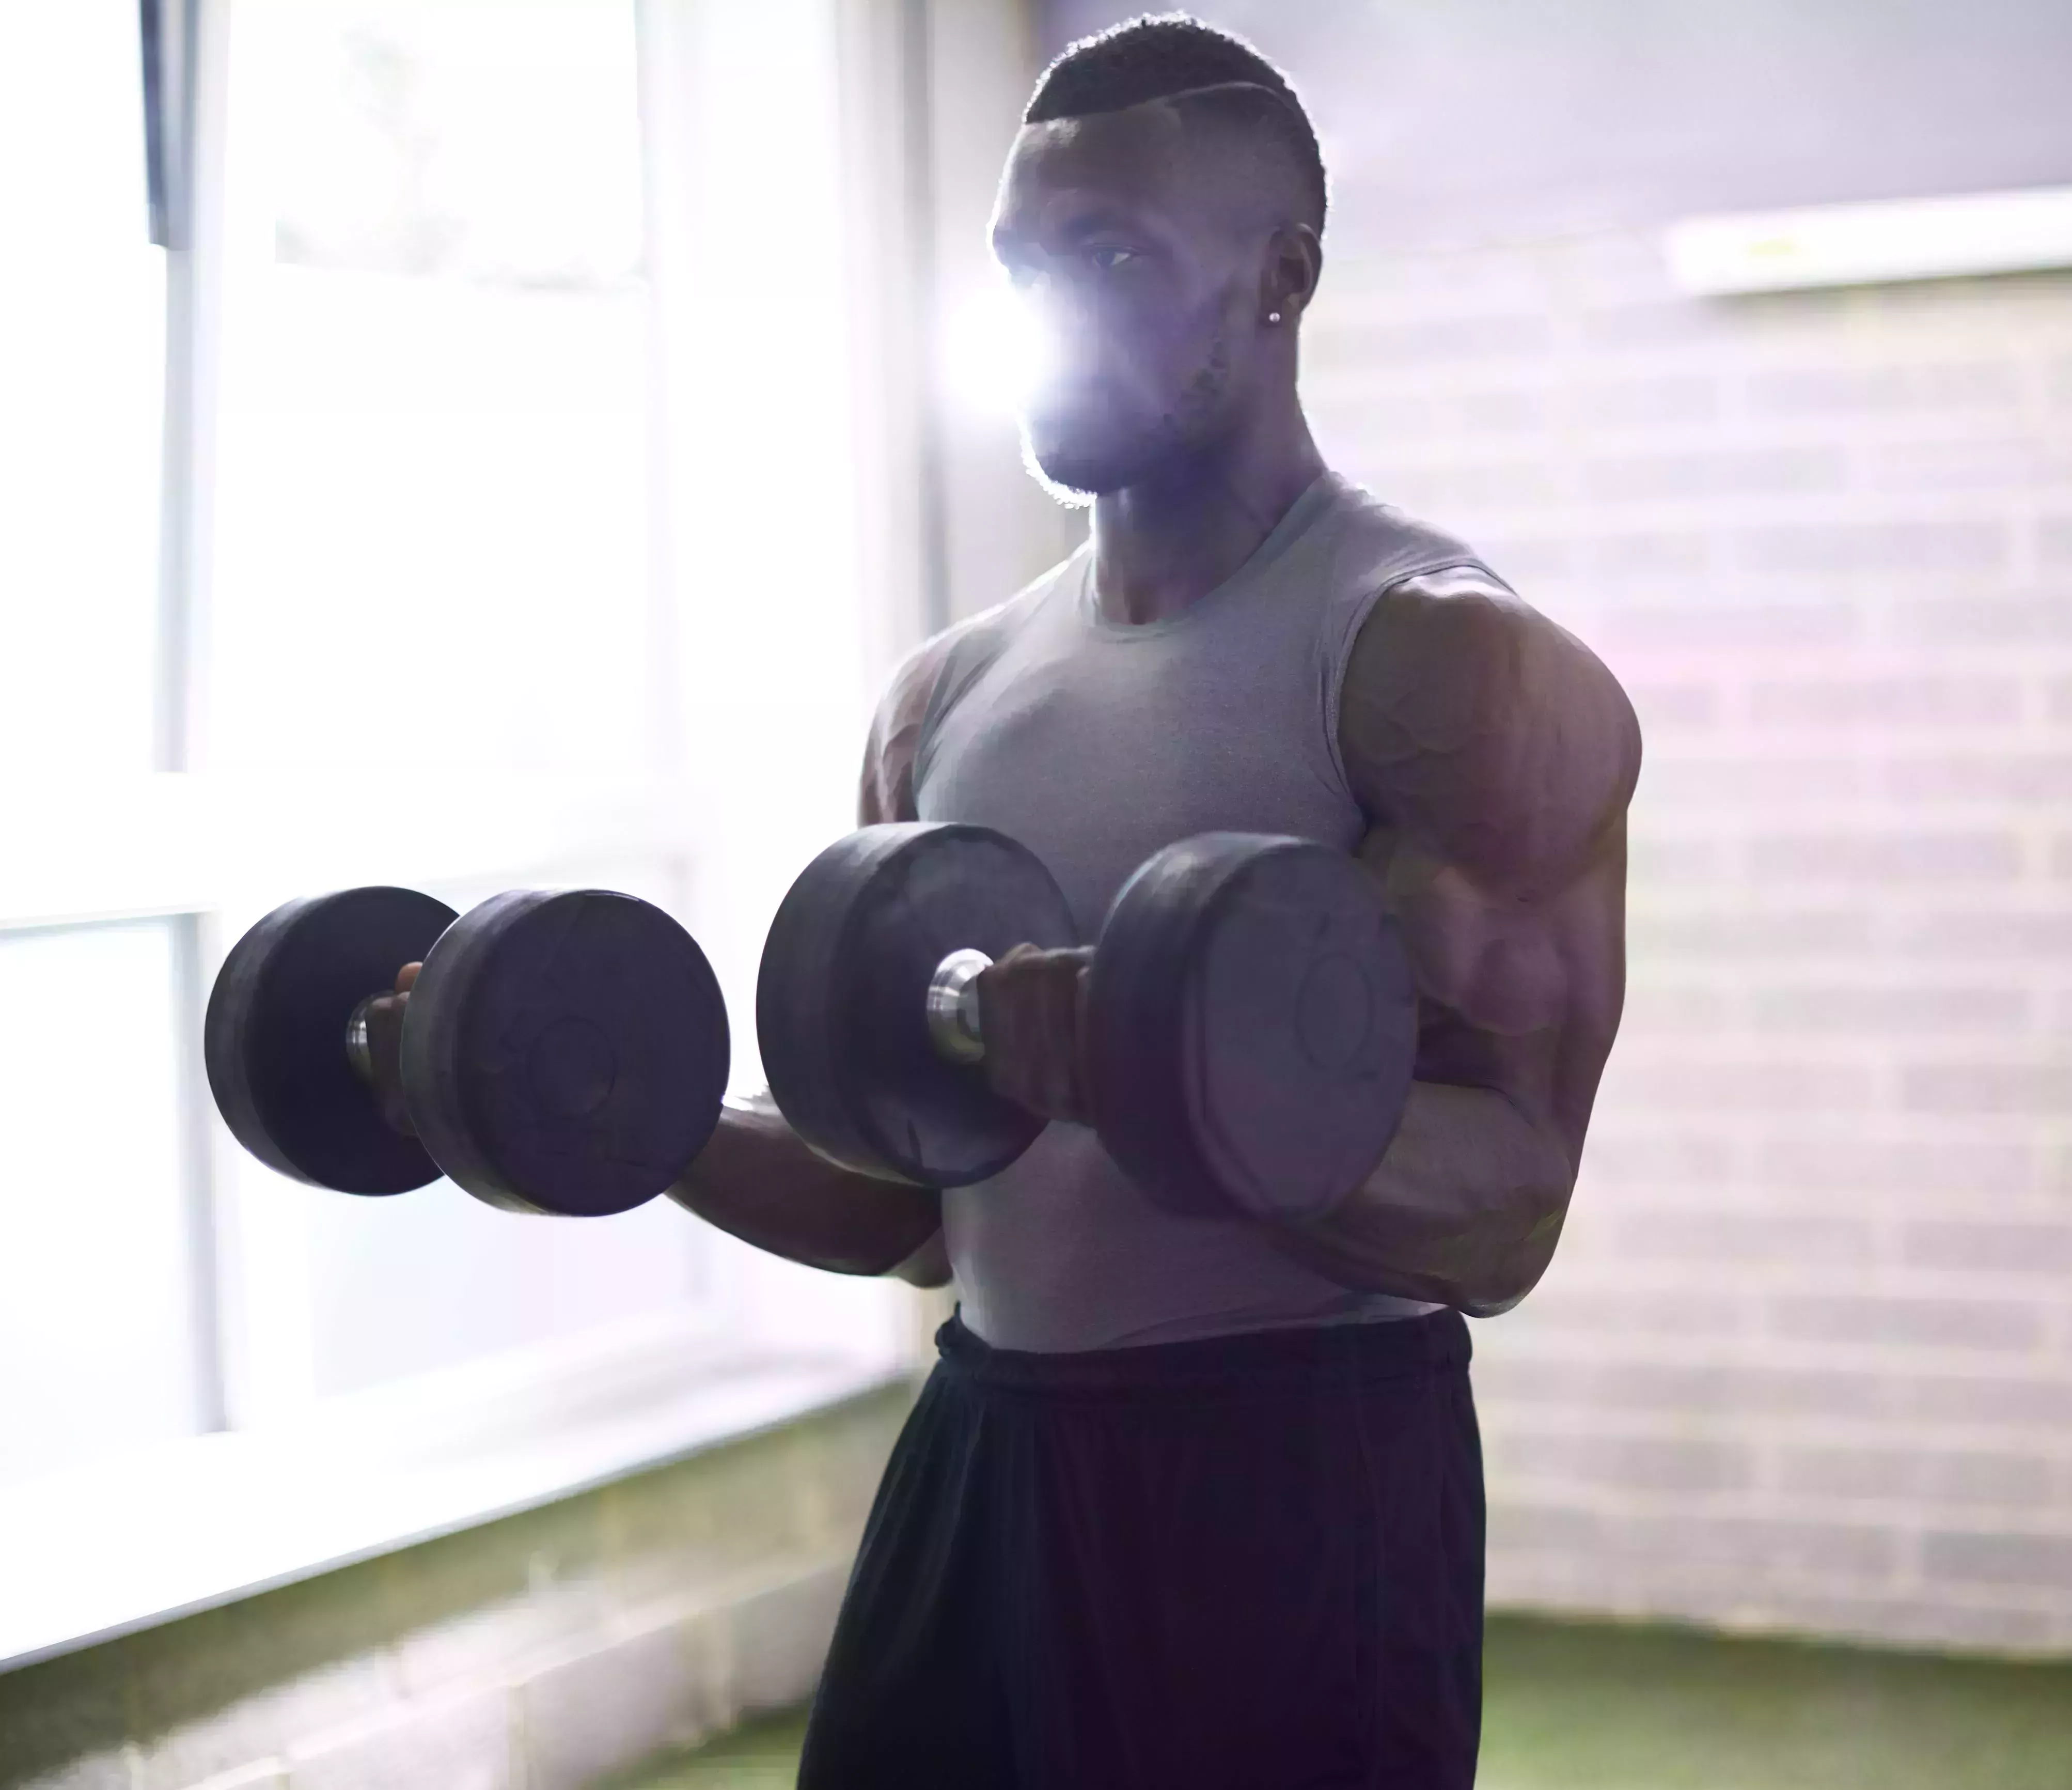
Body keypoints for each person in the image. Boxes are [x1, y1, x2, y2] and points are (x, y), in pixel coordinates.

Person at [379, 14, 1637, 1786]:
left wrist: (1160, 1079)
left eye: (1111, 259)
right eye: (1021, 267)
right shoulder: (945, 698)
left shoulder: (1442, 665)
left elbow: (1506, 1212)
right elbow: (917, 1207)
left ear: (1281, 281)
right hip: (992, 1438)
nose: (1046, 312)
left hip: (1292, 1464)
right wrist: (587, 1097)